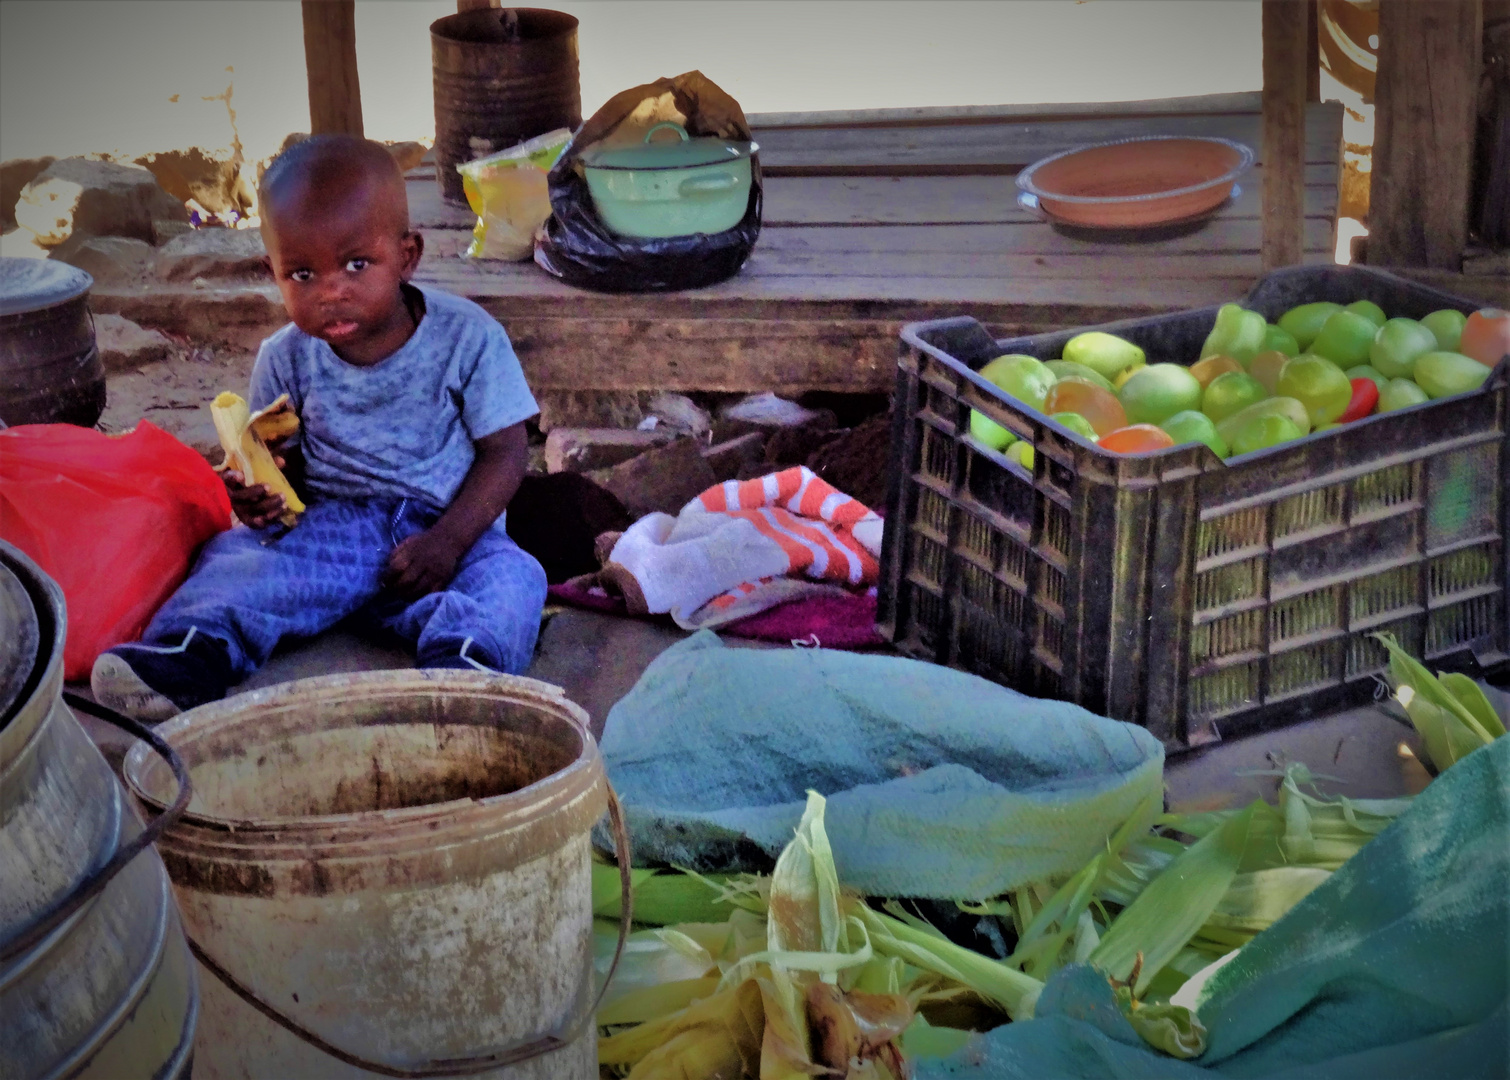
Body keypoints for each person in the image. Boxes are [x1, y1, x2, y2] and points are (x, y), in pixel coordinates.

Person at [91, 135, 547, 721]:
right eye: (301, 273)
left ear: (407, 256)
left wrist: (448, 542)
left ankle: (464, 673)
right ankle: (186, 654)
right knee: (238, 556)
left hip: (449, 533)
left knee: (514, 577)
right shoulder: (285, 357)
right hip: (336, 535)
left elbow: (507, 453)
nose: (331, 290)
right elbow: (285, 477)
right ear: (272, 272)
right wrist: (260, 496)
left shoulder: (468, 337)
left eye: (357, 264)